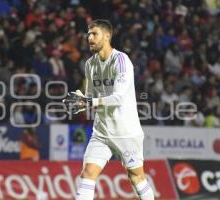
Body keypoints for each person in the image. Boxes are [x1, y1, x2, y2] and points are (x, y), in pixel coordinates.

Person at [63, 19, 154, 200]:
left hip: (126, 132)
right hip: (102, 131)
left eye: (94, 33)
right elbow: (91, 95)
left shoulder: (121, 61)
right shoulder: (90, 64)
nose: (89, 37)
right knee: (87, 174)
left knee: (136, 177)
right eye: (88, 34)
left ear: (107, 36)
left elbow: (118, 98)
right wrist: (81, 101)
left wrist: (88, 101)